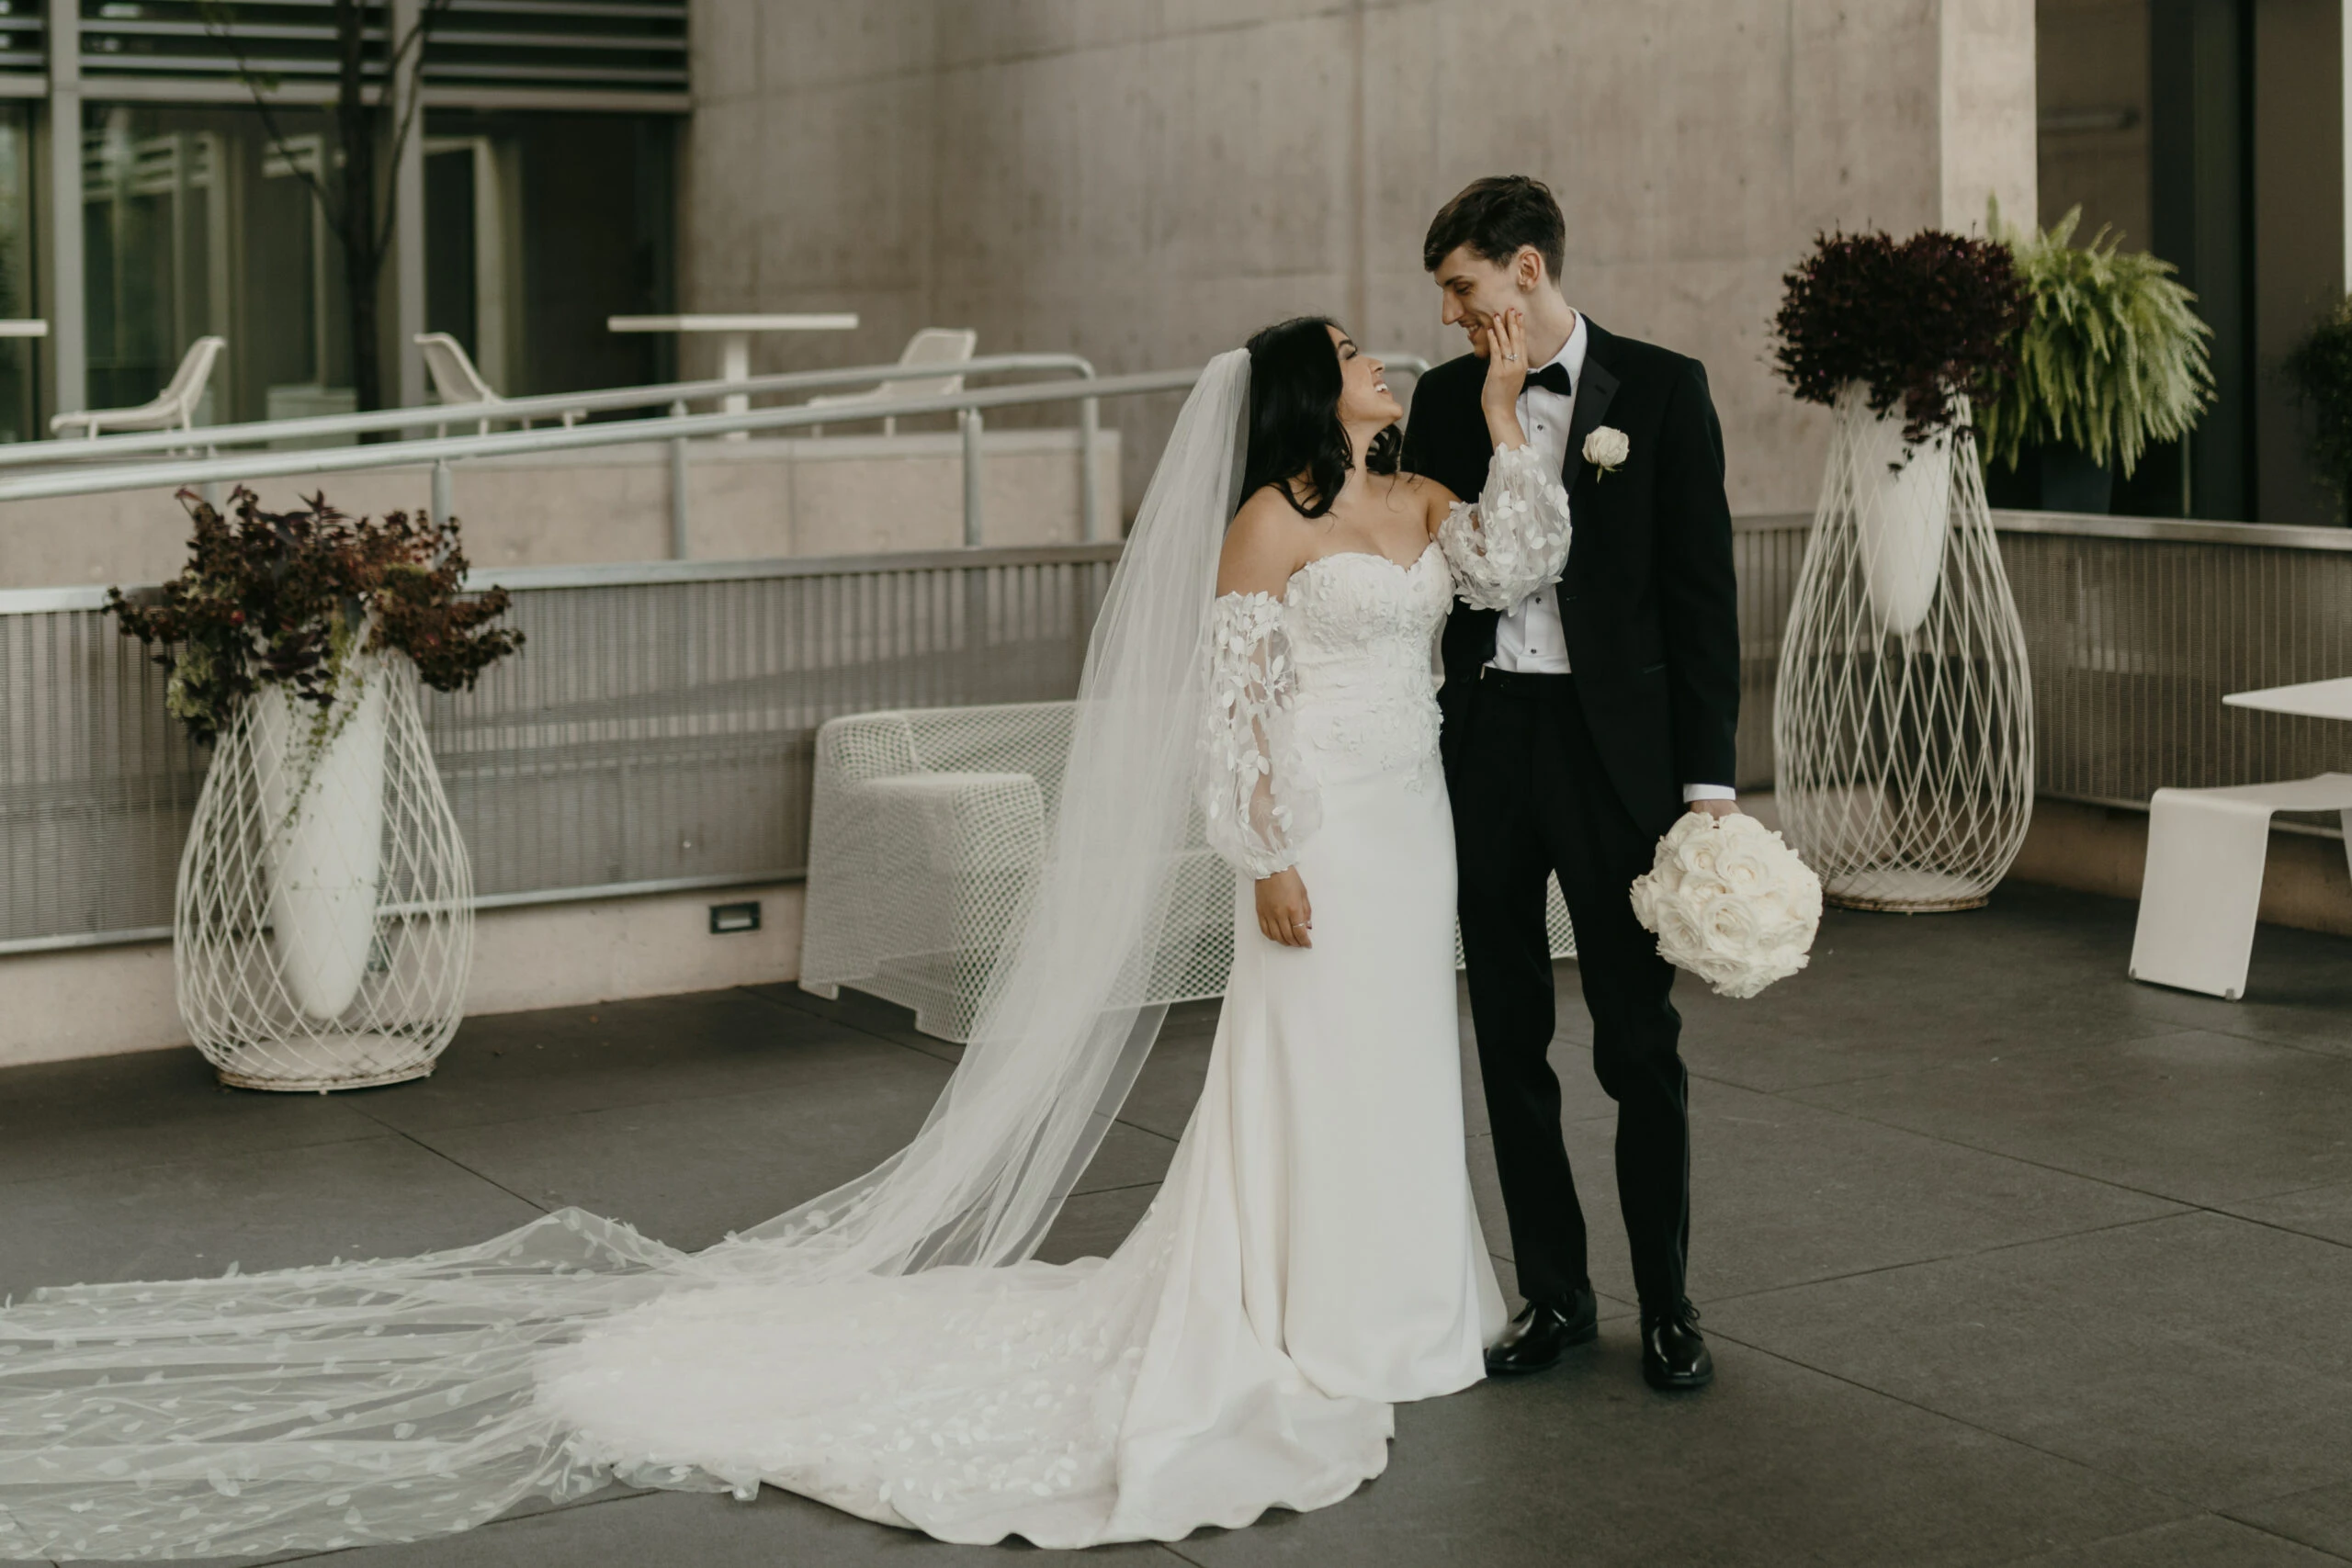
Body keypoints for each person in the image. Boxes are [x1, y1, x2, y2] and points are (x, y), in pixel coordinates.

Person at [0, 319, 1573, 1557]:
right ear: (1316, 396)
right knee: (1306, 1056)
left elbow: (1520, 567)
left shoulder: (1429, 494)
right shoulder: (1262, 525)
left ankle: (1414, 1300)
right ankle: (1307, 1308)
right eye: (1362, 357)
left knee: (1395, 1052)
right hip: (1318, 837)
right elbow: (1229, 719)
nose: (1385, 364)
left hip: (1411, 820)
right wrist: (1265, 854)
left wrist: (1505, 436)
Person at [1402, 175, 1741, 1392]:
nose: (1447, 312)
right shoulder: (1444, 403)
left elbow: (1704, 602)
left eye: (1461, 286)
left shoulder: (1662, 388)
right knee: (1507, 1034)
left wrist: (1708, 788)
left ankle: (1667, 1304)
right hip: (1488, 743)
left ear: (1526, 270)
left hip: (1619, 763)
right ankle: (1552, 1295)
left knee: (1638, 1040)